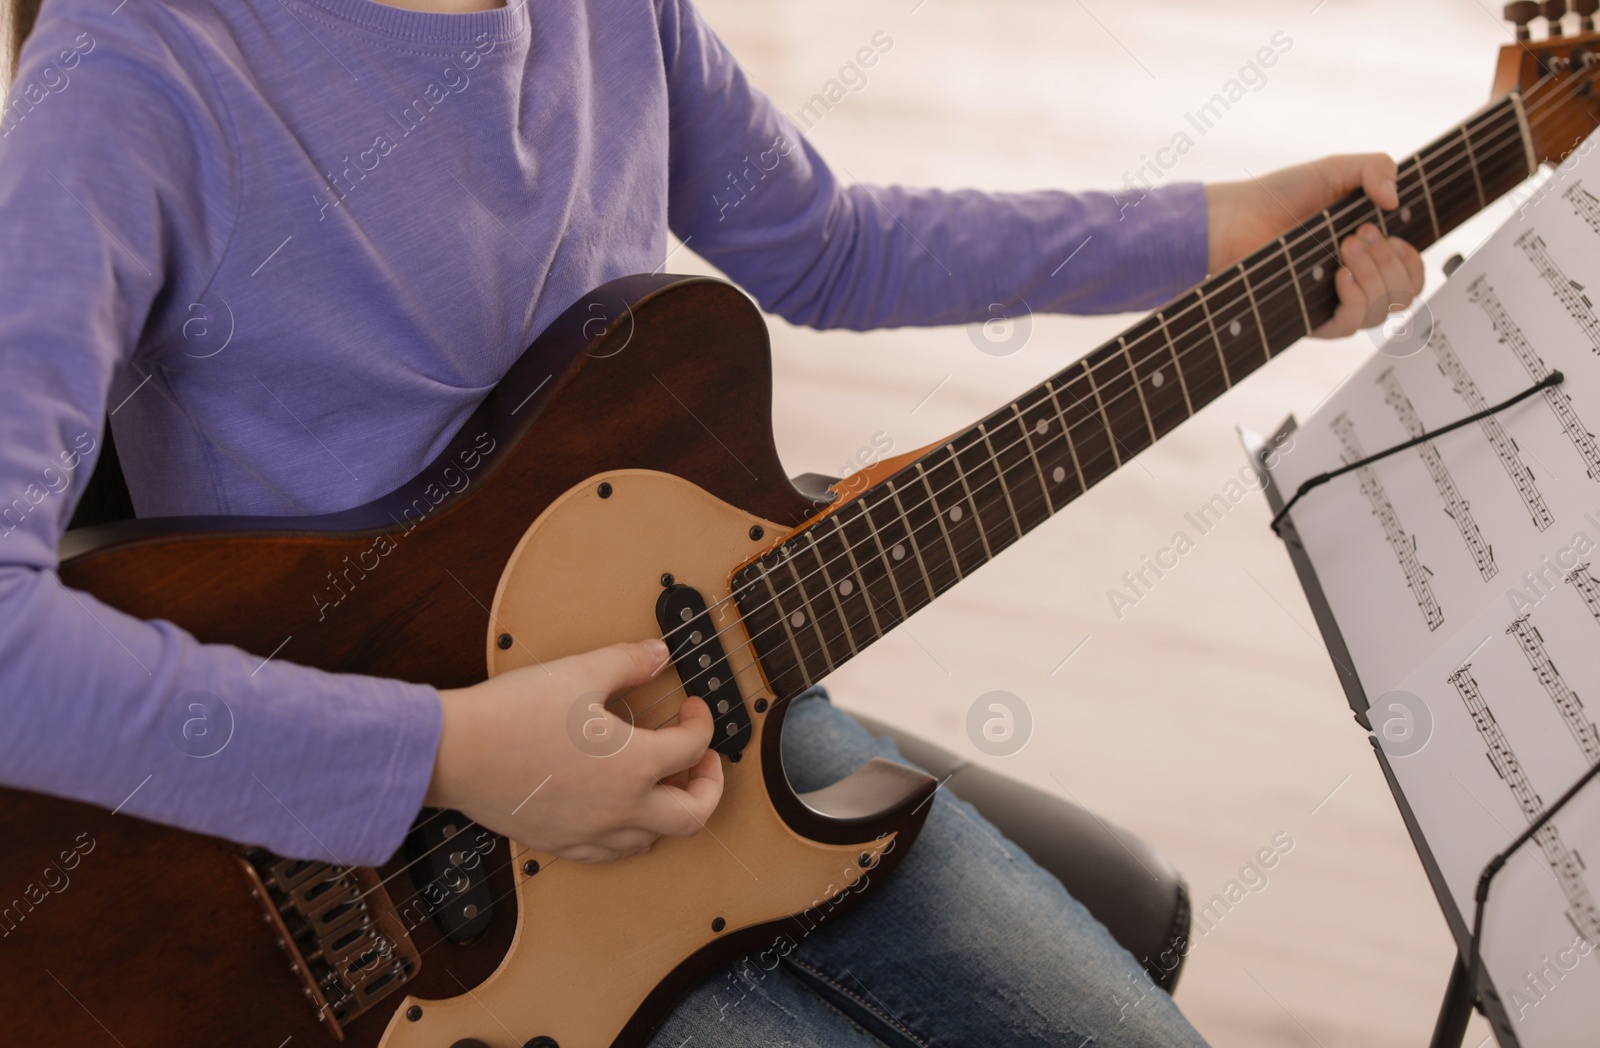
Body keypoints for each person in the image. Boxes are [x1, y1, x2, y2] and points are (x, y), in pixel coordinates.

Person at [0, 0, 1423, 1043]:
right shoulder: (131, 73)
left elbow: (836, 243)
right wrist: (455, 754)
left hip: (713, 719)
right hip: (367, 901)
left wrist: (1222, 225)